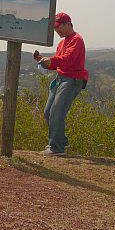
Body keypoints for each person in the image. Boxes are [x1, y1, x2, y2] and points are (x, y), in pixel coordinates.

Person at [34, 12, 89, 156]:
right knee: (48, 113)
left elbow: (68, 59)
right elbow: (58, 63)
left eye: (59, 27)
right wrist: (44, 62)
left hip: (71, 80)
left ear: (68, 24)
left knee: (57, 113)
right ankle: (61, 142)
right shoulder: (63, 42)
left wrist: (51, 60)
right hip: (61, 78)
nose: (57, 30)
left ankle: (56, 147)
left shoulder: (76, 40)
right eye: (55, 28)